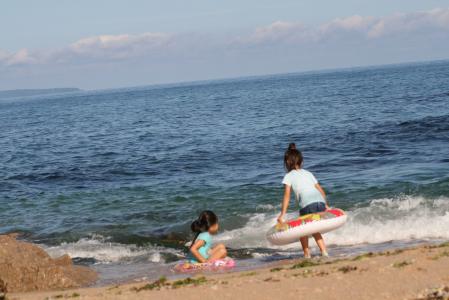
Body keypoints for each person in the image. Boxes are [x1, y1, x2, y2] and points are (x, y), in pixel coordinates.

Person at [277, 143, 330, 258]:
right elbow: (321, 190)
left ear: (287, 163)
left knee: (302, 230)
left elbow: (286, 196)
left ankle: (307, 254)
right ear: (301, 161)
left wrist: (282, 215)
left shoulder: (289, 176)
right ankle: (324, 251)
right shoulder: (308, 173)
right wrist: (326, 205)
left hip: (307, 205)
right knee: (314, 228)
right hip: (319, 202)